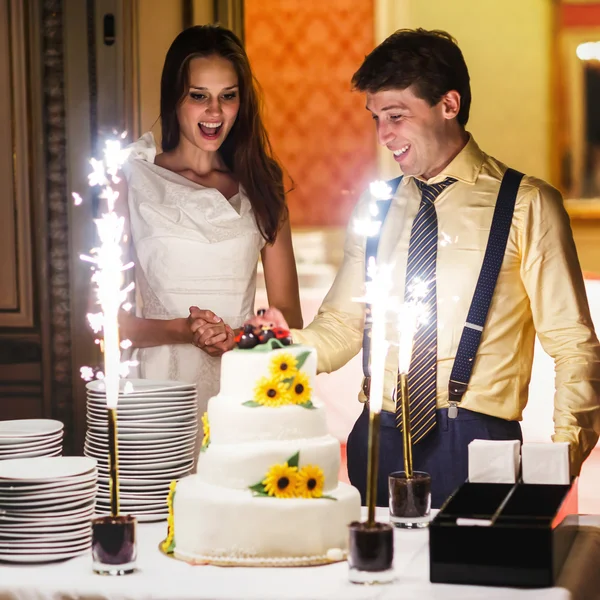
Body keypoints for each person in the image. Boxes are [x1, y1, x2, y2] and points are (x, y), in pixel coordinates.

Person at [246, 29, 600, 508]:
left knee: (467, 581)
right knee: (380, 580)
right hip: (380, 433)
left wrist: (562, 457)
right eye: (376, 119)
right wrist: (278, 343)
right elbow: (340, 330)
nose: (383, 135)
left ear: (448, 105)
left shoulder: (527, 204)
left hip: (481, 440)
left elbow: (573, 345)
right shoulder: (378, 206)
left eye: (396, 116)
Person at [119, 25, 302, 452]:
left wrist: (238, 339)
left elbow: (289, 317)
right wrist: (182, 329)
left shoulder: (261, 183)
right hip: (157, 394)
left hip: (243, 393)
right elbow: (110, 325)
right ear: (174, 97)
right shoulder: (132, 180)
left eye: (228, 95)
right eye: (198, 95)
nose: (215, 111)